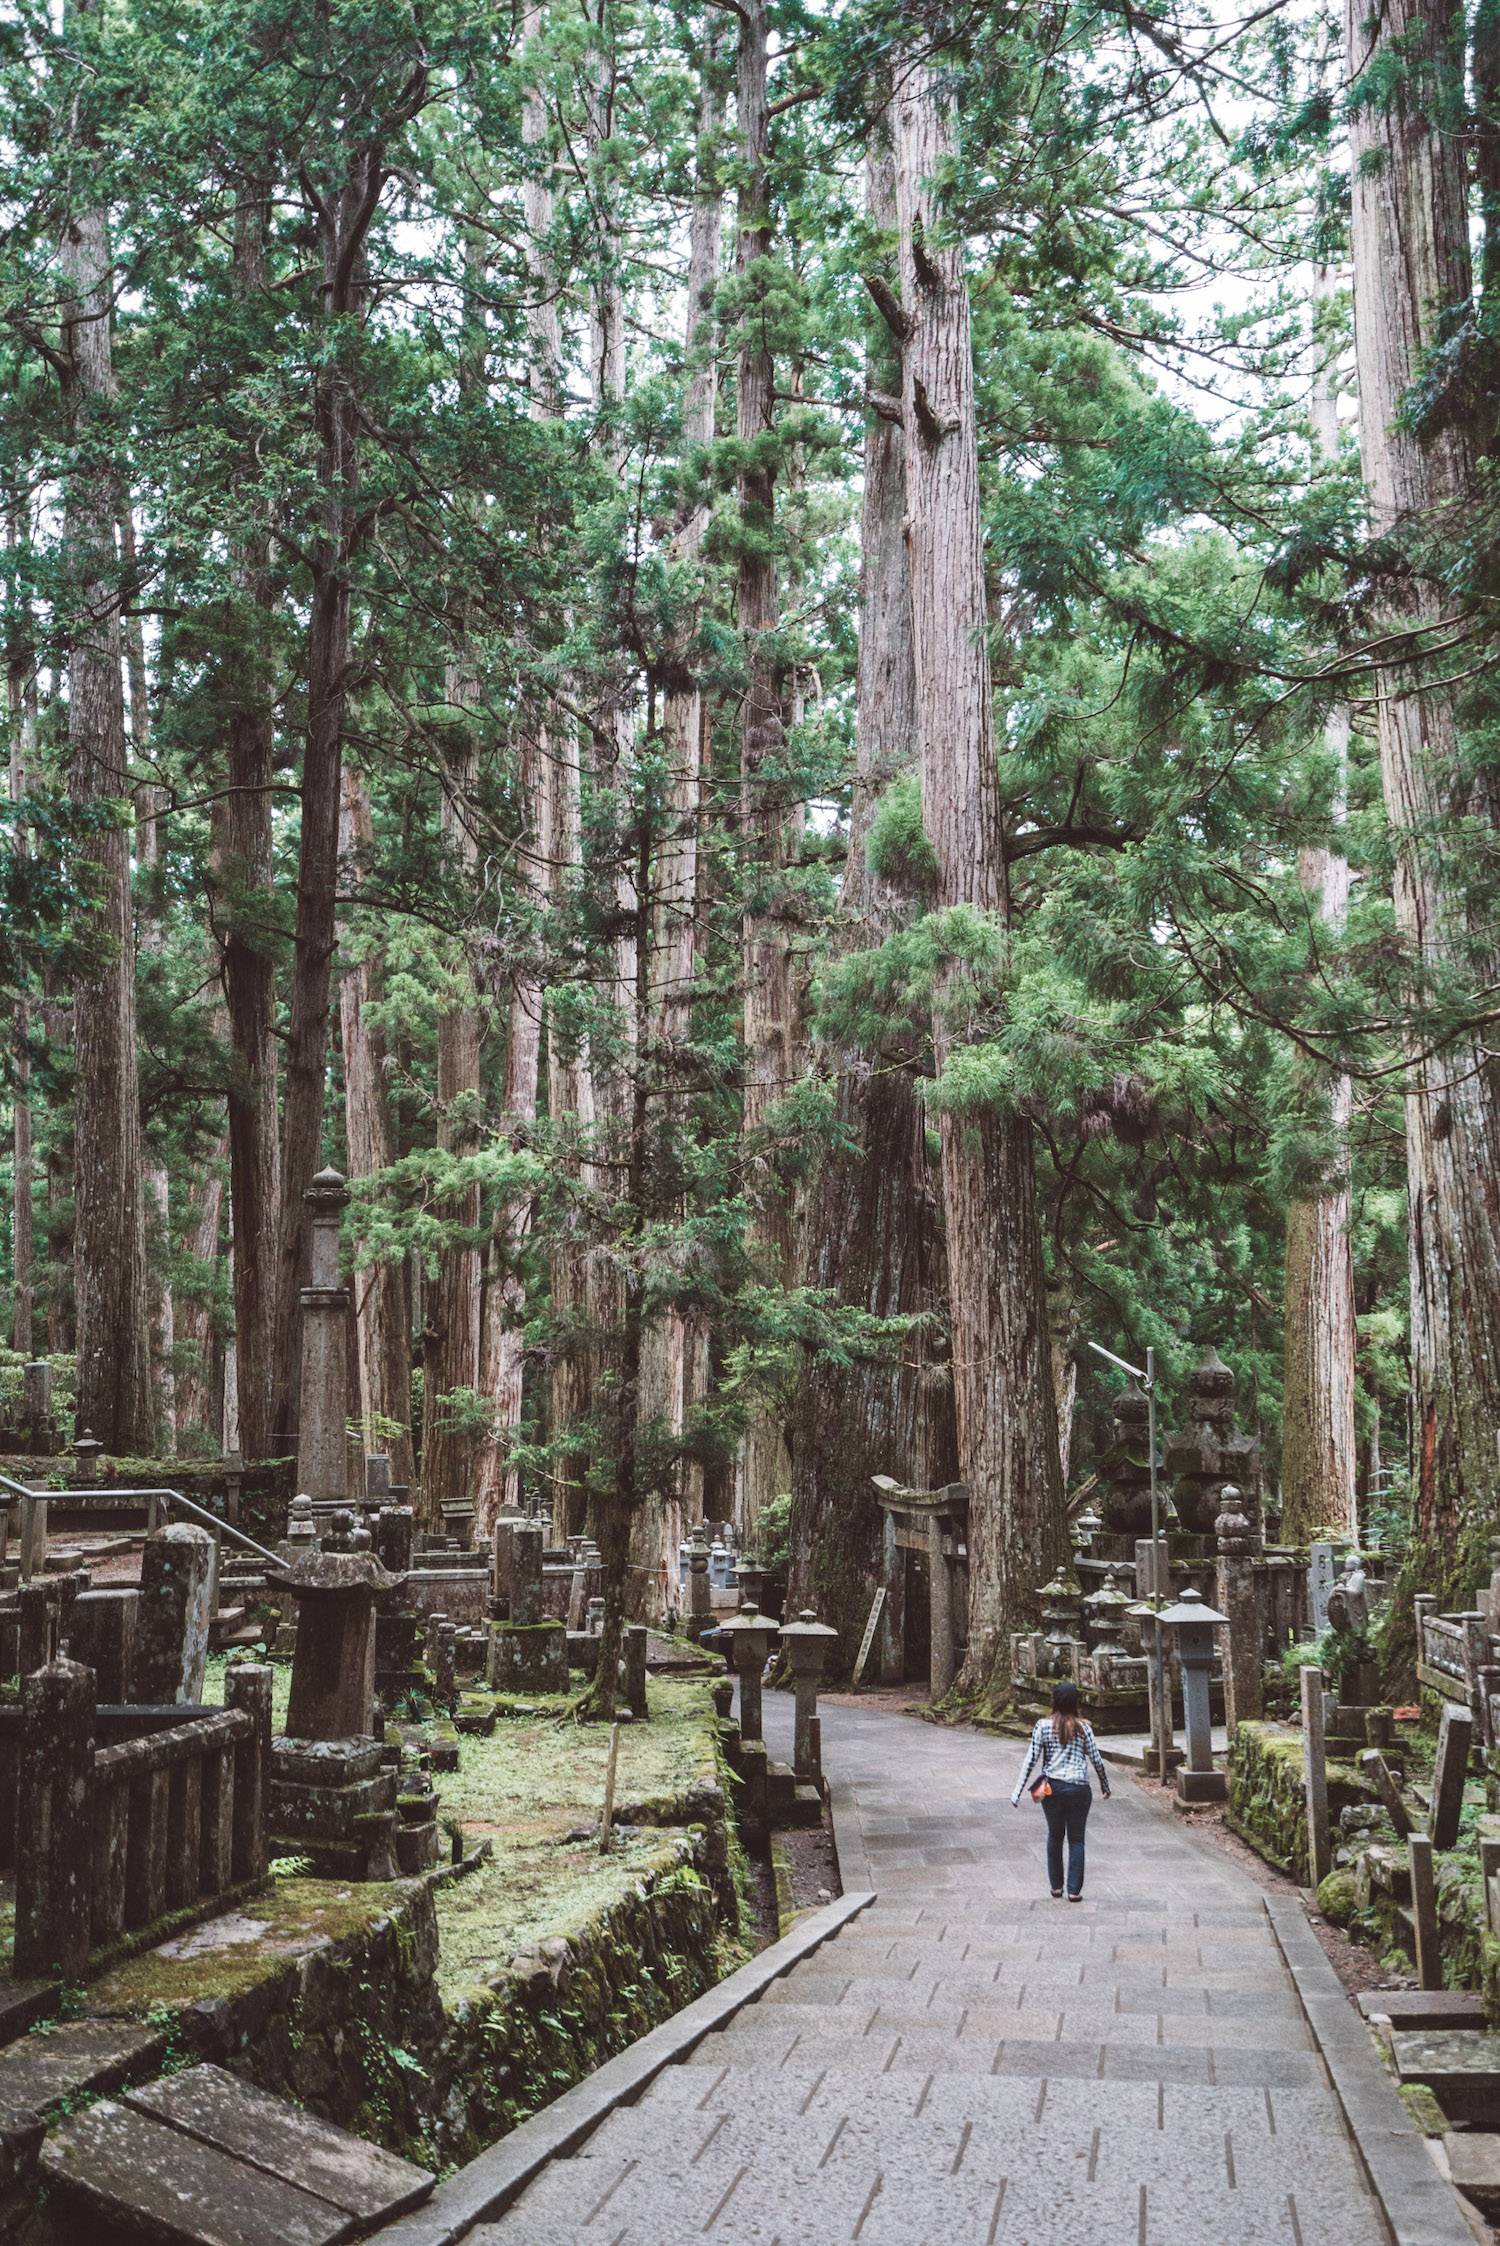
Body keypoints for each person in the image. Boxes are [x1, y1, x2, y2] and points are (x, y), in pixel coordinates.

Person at [1010, 1680, 1111, 1900]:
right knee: (1077, 1839)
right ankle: (1074, 1890)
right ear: (1076, 1702)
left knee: (1055, 1836)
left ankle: (1056, 1887)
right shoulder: (1084, 1727)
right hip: (1079, 1789)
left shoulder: (1043, 1726)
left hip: (1052, 1788)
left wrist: (1017, 1791)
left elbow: (1031, 1759)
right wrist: (1105, 1785)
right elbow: (1096, 1759)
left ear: (1054, 1701)